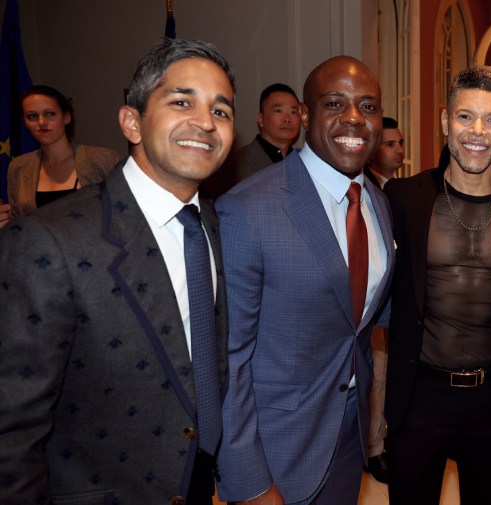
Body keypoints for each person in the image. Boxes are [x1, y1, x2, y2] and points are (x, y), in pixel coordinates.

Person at [0, 37, 235, 504]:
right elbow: (11, 433)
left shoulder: (211, 222)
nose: (205, 122)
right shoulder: (48, 242)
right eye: (182, 101)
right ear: (132, 121)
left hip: (197, 479)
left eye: (222, 111)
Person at [216, 55, 395, 505]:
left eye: (368, 106)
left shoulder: (377, 202)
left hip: (349, 431)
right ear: (305, 115)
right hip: (277, 449)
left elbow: (361, 322)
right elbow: (229, 361)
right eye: (335, 103)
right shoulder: (248, 209)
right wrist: (248, 480)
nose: (354, 118)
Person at [384, 65, 491, 505]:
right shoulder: (403, 198)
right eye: (464, 117)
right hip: (418, 396)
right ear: (444, 121)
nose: (478, 131)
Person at [4, 85, 120, 228]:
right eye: (32, 116)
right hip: (38, 249)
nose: (41, 122)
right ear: (25, 123)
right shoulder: (18, 167)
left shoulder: (104, 160)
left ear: (66, 117)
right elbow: (18, 222)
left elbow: (126, 213)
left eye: (49, 114)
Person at [362, 116, 405, 484]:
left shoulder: (397, 188)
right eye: (390, 144)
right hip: (371, 305)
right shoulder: (366, 188)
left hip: (391, 303)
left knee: (384, 376)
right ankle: (373, 449)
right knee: (375, 376)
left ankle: (380, 441)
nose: (398, 150)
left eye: (400, 143)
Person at [202, 82, 301, 198]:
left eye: (293, 112)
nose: (287, 119)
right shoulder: (234, 165)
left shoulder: (303, 163)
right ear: (261, 119)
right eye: (278, 111)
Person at [364, 116, 405, 188]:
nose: (400, 150)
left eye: (401, 143)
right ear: (371, 150)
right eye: (390, 144)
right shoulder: (362, 187)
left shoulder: (406, 186)